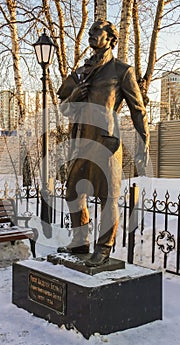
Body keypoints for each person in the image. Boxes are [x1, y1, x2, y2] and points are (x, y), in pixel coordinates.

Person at [57, 20, 149, 267]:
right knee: (73, 192)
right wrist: (75, 95)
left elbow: (138, 110)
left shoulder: (121, 71)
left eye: (98, 31)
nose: (92, 35)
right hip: (82, 141)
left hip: (107, 142)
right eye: (90, 31)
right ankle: (80, 240)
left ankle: (104, 247)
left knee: (108, 197)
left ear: (111, 39)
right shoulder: (80, 72)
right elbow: (64, 107)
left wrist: (143, 142)